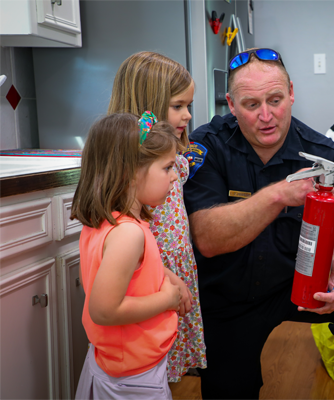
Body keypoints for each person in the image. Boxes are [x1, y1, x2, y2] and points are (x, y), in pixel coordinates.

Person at [183, 48, 334, 400]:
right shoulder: (207, 147)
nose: (267, 116)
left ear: (292, 93)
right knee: (230, 389)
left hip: (299, 285)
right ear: (231, 106)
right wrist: (277, 195)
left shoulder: (328, 156)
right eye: (251, 105)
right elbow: (207, 238)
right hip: (228, 296)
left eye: (276, 100)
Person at [108, 51, 207, 381]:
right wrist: (165, 277)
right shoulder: (135, 171)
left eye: (188, 106)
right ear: (148, 103)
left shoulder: (172, 158)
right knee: (149, 362)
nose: (188, 115)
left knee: (165, 369)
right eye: (178, 106)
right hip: (153, 275)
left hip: (176, 266)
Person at [71, 112, 182, 399]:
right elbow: (105, 310)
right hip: (133, 379)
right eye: (168, 167)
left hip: (119, 364)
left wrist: (171, 279)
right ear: (131, 171)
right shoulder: (128, 234)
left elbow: (134, 272)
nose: (175, 175)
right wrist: (168, 299)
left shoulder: (111, 222)